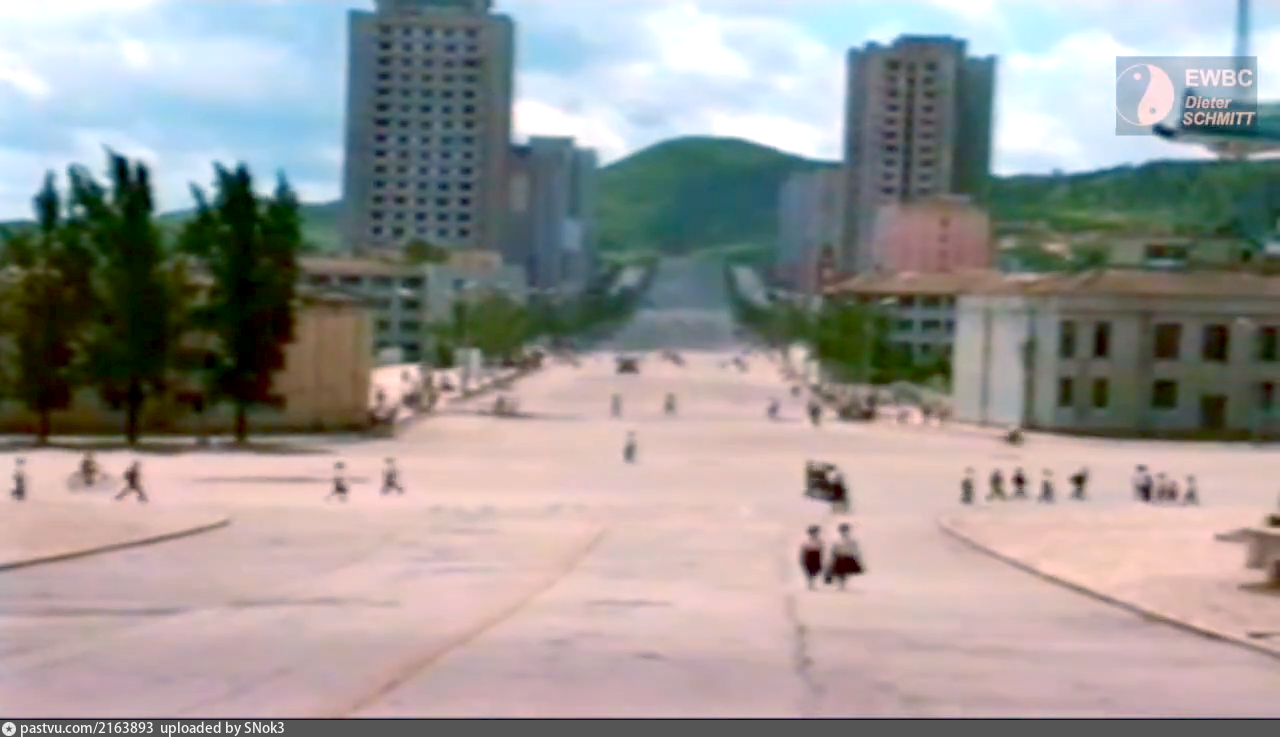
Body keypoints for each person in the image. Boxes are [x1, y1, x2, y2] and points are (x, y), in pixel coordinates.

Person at [824, 523, 864, 589]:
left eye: (845, 530)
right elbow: (833, 549)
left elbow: (855, 549)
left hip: (847, 557)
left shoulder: (851, 540)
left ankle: (842, 584)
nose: (844, 532)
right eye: (843, 530)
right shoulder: (836, 539)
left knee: (845, 572)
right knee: (839, 572)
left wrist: (856, 556)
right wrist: (831, 558)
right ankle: (841, 584)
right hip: (839, 557)